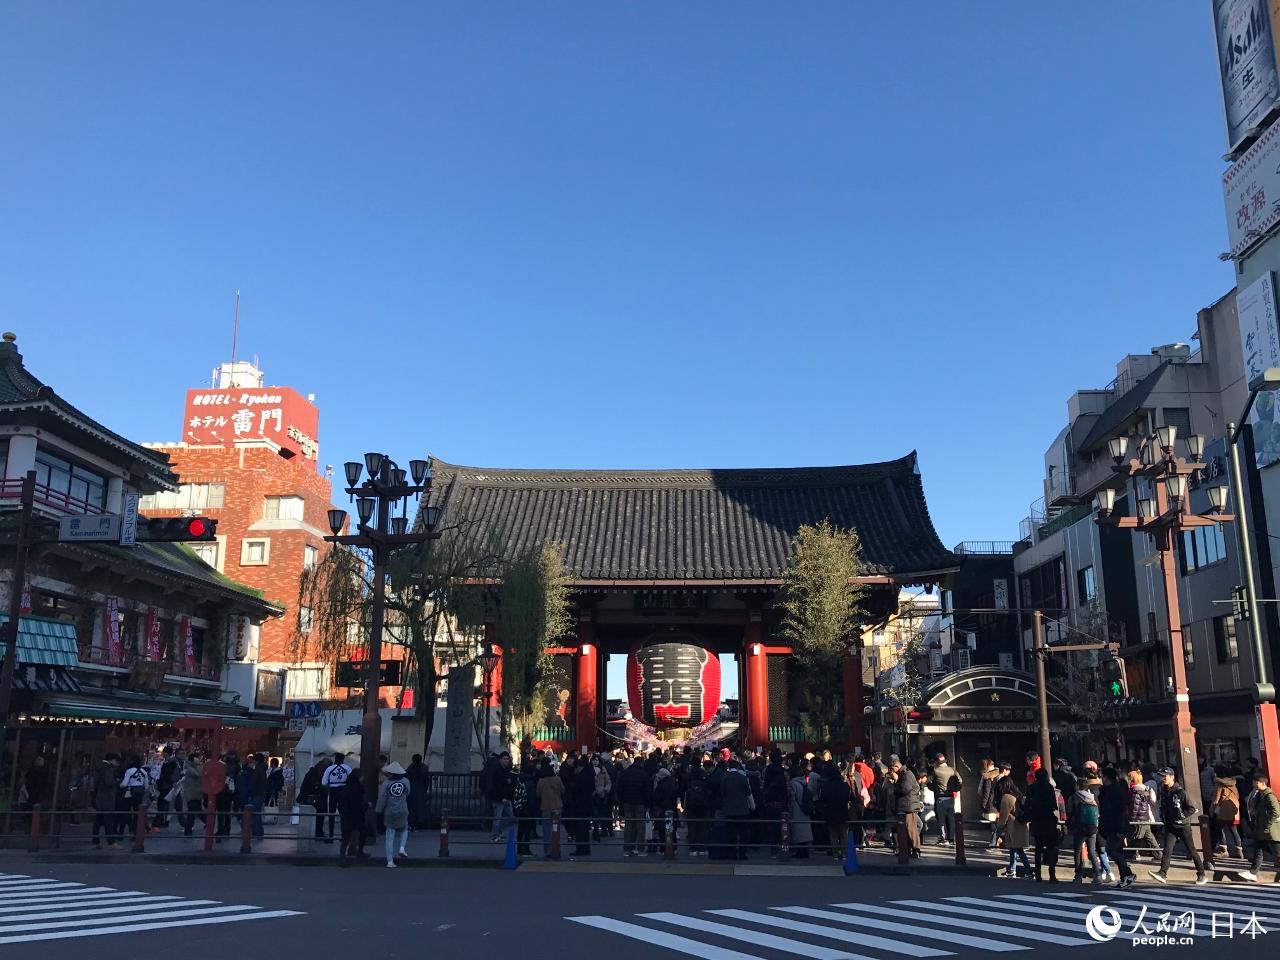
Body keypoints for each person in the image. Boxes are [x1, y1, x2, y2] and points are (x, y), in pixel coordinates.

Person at [1148, 767, 1207, 885]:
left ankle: (1201, 873)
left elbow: (1191, 808)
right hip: (1170, 825)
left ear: (1172, 777)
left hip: (1182, 826)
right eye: (1162, 776)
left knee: (1191, 850)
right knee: (1167, 849)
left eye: (1165, 776)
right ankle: (1163, 873)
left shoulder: (1180, 791)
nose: (1163, 778)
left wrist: (1181, 816)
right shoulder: (1164, 790)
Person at [1098, 766, 1136, 888]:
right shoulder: (1110, 790)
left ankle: (1128, 874)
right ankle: (1124, 877)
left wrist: (1120, 828)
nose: (1101, 779)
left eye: (1102, 776)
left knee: (1111, 849)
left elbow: (1119, 811)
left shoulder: (1114, 791)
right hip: (1112, 825)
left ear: (1106, 777)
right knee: (1118, 850)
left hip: (1116, 826)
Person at [1026, 767, 1065, 882]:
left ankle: (1038, 874)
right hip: (1048, 820)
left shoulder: (1031, 788)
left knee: (1038, 848)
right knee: (1051, 847)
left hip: (1036, 820)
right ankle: (1052, 874)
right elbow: (1053, 805)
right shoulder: (1049, 787)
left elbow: (1027, 804)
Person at [1241, 772, 1280, 883]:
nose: (1254, 784)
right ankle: (1252, 873)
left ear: (1263, 783)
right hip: (1263, 830)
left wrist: (1267, 824)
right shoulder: (1260, 795)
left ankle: (1253, 873)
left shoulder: (1269, 796)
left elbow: (1276, 812)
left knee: (1277, 853)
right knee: (1259, 851)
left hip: (1271, 831)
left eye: (1256, 782)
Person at [376, 761, 411, 867]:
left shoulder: (386, 784)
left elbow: (382, 799)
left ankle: (390, 861)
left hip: (389, 811)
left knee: (390, 836)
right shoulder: (406, 781)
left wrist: (379, 810)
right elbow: (408, 793)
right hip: (403, 809)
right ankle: (402, 847)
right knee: (404, 828)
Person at [719, 759, 754, 860]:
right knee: (743, 833)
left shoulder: (725, 778)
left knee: (731, 833)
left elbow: (722, 793)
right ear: (738, 767)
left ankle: (732, 854)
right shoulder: (743, 778)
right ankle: (742, 854)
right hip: (742, 809)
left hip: (729, 809)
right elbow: (748, 792)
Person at [1067, 784, 1103, 884]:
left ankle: (1078, 876)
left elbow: (1069, 810)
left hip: (1079, 828)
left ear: (1077, 786)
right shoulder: (1092, 798)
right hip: (1092, 827)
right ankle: (1098, 875)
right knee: (1092, 851)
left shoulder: (1074, 797)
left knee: (1077, 852)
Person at [997, 777, 1031, 878]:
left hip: (1013, 826)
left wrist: (999, 828)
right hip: (1022, 825)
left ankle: (1028, 870)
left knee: (1017, 849)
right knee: (1015, 848)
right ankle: (1012, 869)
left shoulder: (1006, 797)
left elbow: (1003, 816)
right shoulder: (1017, 795)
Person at [618, 756, 651, 857]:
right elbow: (647, 791)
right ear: (641, 763)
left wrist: (621, 802)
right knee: (640, 826)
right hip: (640, 803)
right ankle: (640, 849)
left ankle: (627, 849)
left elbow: (619, 789)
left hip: (627, 802)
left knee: (628, 825)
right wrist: (647, 804)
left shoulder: (625, 773)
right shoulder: (644, 774)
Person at [891, 756, 923, 858]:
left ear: (897, 766)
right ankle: (908, 849)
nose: (893, 771)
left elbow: (905, 789)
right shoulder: (904, 774)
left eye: (893, 769)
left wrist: (895, 790)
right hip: (906, 805)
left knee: (911, 829)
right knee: (906, 829)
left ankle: (915, 849)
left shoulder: (906, 774)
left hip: (908, 806)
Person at [1210, 769, 1246, 860]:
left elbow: (1216, 799)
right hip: (1234, 809)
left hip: (1223, 810)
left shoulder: (1219, 785)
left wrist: (1212, 810)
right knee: (1234, 830)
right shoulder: (1233, 784)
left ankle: (1223, 851)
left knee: (1220, 829)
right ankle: (1239, 851)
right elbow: (1237, 796)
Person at [337, 768, 368, 866]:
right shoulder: (359, 789)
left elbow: (341, 804)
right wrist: (367, 806)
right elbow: (358, 804)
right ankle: (360, 852)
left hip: (346, 815)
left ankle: (342, 857)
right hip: (356, 815)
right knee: (363, 832)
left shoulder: (345, 788)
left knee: (345, 836)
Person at [1126, 768, 1159, 859]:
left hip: (1138, 818)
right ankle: (1158, 854)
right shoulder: (1144, 789)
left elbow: (1134, 806)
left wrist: (1132, 819)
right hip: (1145, 816)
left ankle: (1131, 854)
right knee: (1149, 837)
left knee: (1135, 836)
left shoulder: (1134, 790)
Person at [320, 752, 352, 843]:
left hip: (333, 791)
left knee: (331, 813)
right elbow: (351, 781)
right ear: (343, 759)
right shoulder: (348, 768)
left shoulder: (329, 769)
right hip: (344, 791)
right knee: (343, 814)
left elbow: (324, 782)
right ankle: (343, 836)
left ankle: (331, 836)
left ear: (335, 758)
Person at [929, 753, 960, 845]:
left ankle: (943, 838)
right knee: (951, 818)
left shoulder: (935, 771)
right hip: (950, 798)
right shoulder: (952, 770)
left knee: (941, 819)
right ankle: (951, 838)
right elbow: (960, 781)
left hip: (941, 798)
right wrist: (954, 789)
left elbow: (930, 782)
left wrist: (934, 788)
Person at [297, 757, 331, 840]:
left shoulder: (314, 771)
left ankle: (317, 832)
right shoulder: (315, 773)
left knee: (318, 816)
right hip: (315, 799)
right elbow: (312, 785)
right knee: (318, 816)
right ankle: (317, 833)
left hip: (317, 798)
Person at [91, 753, 120, 848]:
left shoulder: (100, 767)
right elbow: (109, 782)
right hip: (107, 798)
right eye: (116, 761)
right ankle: (111, 842)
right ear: (112, 760)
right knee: (108, 820)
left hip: (100, 796)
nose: (117, 764)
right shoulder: (108, 769)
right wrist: (117, 781)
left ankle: (96, 841)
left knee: (98, 820)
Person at [536, 761, 565, 857]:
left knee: (546, 830)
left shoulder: (541, 781)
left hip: (545, 807)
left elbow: (538, 794)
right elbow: (563, 790)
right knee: (556, 830)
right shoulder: (557, 779)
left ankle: (548, 851)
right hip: (557, 806)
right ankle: (557, 849)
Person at [787, 757, 814, 859]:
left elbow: (792, 799)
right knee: (804, 831)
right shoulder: (803, 783)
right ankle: (804, 851)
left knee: (797, 831)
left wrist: (790, 810)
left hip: (797, 810)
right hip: (805, 809)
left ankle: (800, 852)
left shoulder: (793, 784)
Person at [487, 752, 517, 841]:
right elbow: (495, 786)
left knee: (511, 818)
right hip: (498, 798)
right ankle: (495, 836)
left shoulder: (509, 770)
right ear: (500, 760)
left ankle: (499, 831)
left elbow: (510, 784)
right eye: (504, 759)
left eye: (507, 759)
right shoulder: (496, 770)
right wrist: (501, 797)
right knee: (498, 818)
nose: (506, 761)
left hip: (507, 797)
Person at [237, 753, 267, 839]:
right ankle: (259, 832)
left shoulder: (257, 769)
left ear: (256, 760)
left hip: (256, 794)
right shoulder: (263, 768)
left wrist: (251, 793)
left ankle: (256, 832)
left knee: (254, 814)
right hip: (260, 793)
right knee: (257, 814)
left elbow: (254, 784)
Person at [181, 750, 204, 836]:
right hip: (192, 793)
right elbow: (198, 774)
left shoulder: (194, 767)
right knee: (192, 812)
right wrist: (199, 765)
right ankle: (188, 829)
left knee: (197, 811)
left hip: (196, 792)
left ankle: (207, 823)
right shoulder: (190, 768)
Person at [405, 753, 429, 830]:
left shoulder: (409, 769)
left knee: (411, 808)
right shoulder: (425, 768)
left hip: (411, 790)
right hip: (421, 790)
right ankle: (420, 824)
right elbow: (427, 781)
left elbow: (407, 780)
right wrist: (425, 790)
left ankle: (411, 823)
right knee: (420, 808)